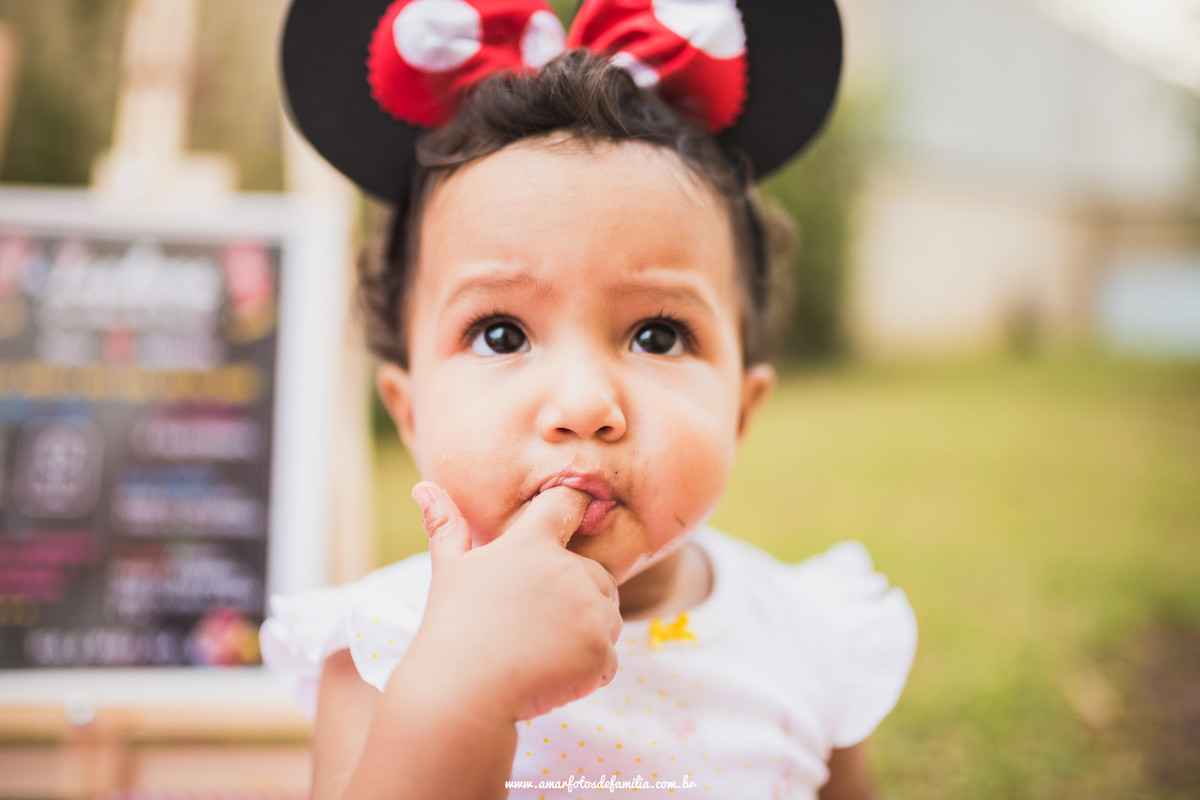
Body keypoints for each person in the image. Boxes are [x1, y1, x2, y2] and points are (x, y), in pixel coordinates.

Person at [261, 1, 916, 798]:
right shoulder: (382, 644)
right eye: (500, 334)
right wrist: (456, 685)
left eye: (658, 336)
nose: (583, 403)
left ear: (742, 410)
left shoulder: (811, 638)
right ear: (408, 411)